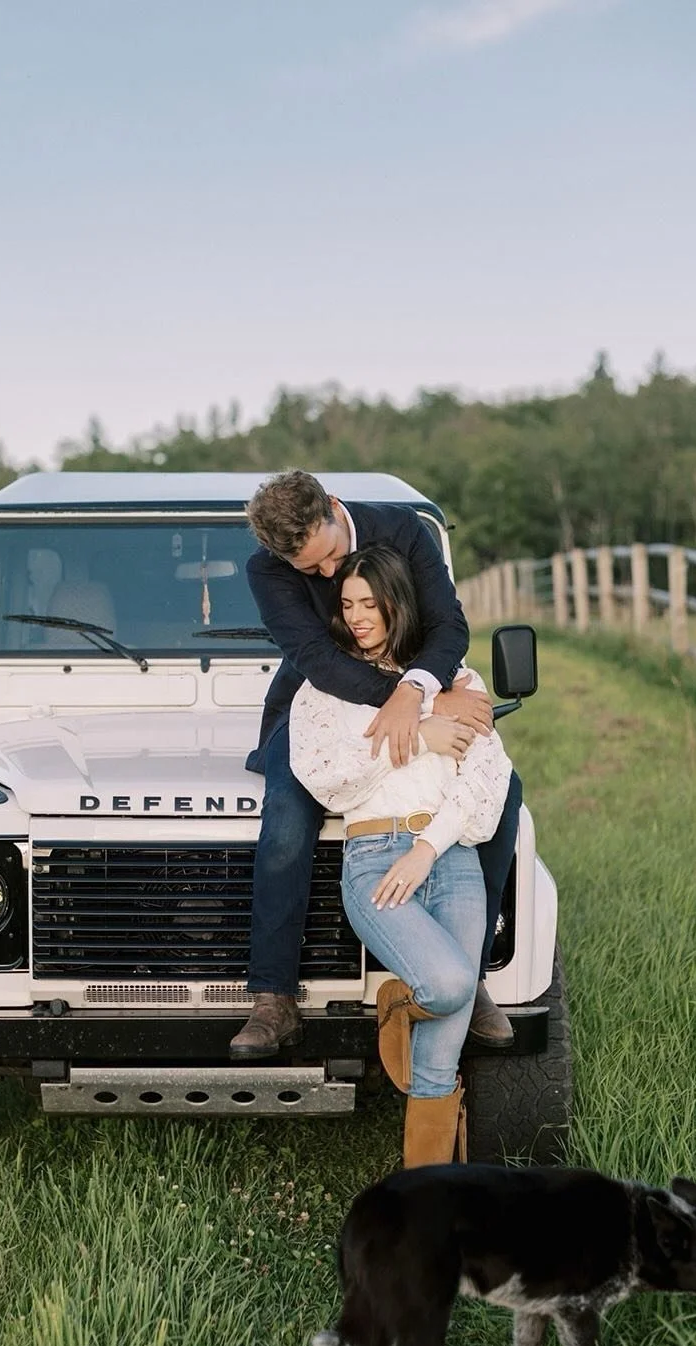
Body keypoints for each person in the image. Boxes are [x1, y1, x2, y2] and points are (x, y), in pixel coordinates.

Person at [230, 469, 520, 1059]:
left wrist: (415, 692)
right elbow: (315, 658)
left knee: (506, 794)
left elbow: (448, 626)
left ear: (334, 509)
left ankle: (470, 975)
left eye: (332, 555)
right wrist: (424, 704)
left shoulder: (404, 529)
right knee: (286, 813)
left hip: (414, 675)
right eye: (311, 572)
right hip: (321, 701)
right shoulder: (267, 569)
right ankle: (273, 996)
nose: (330, 574)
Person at [289, 544, 513, 1164]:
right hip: (374, 858)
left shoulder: (456, 680)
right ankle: (398, 1002)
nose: (357, 615)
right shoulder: (327, 688)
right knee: (446, 985)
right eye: (347, 604)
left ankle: (427, 1205)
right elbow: (325, 776)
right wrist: (419, 738)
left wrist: (428, 848)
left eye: (370, 602)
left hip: (448, 856)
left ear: (397, 602)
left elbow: (487, 777)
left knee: (440, 1061)